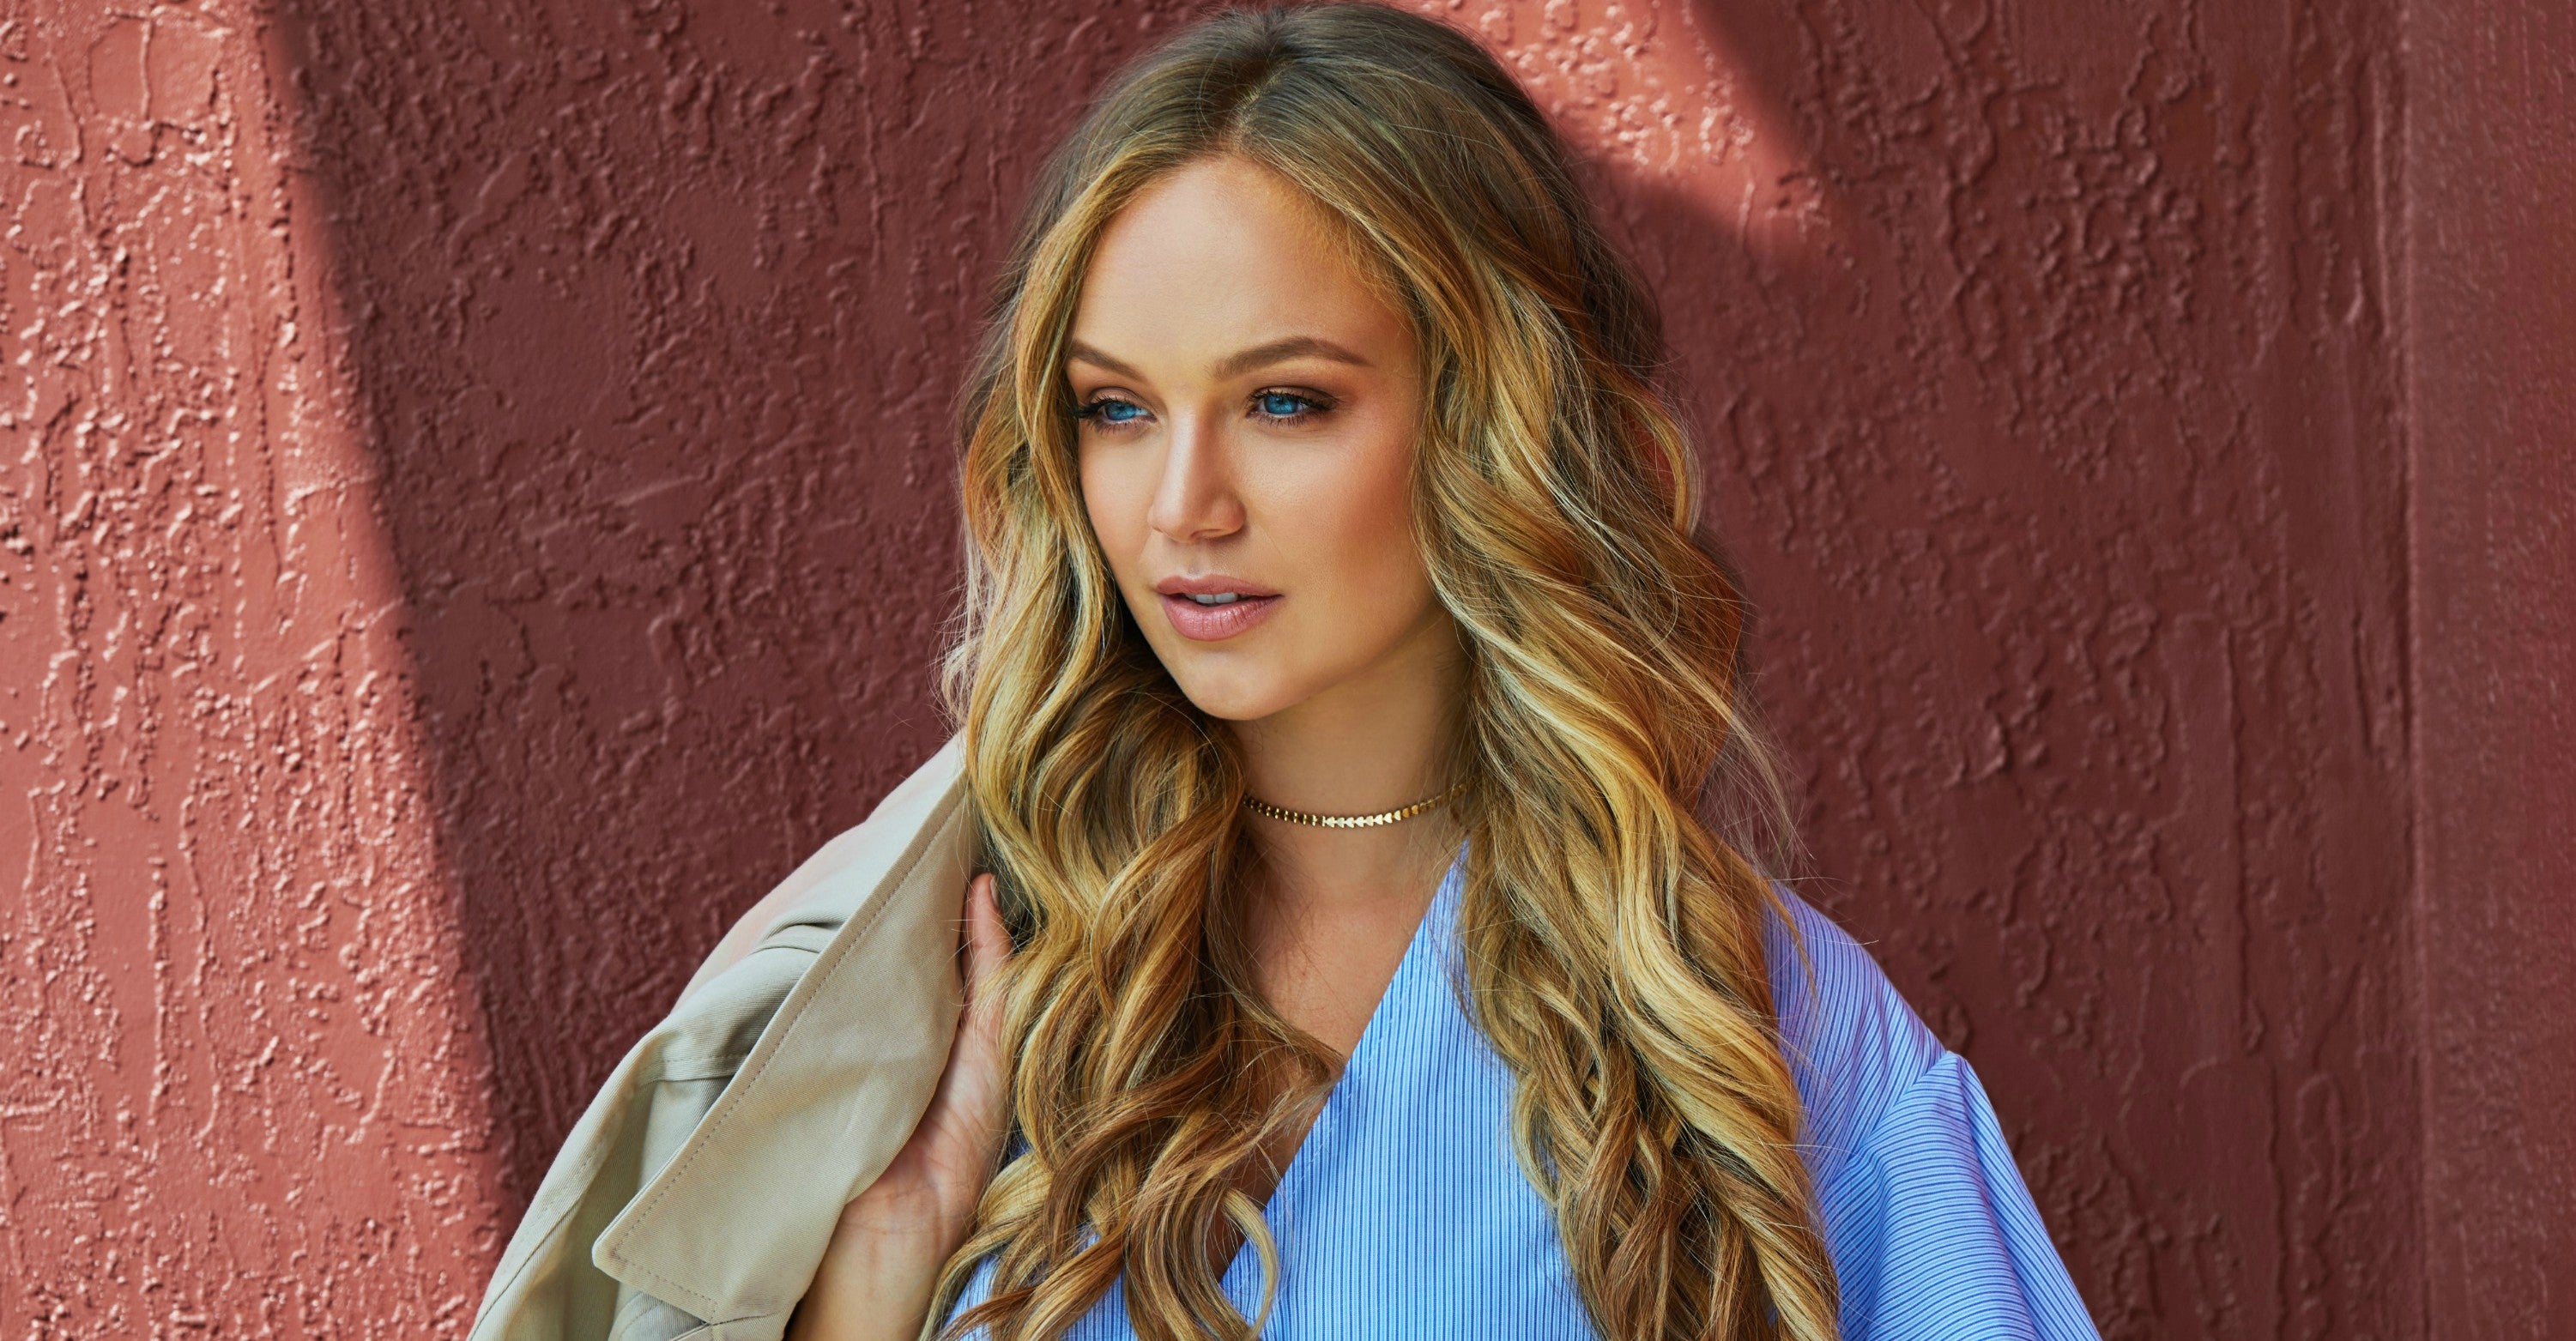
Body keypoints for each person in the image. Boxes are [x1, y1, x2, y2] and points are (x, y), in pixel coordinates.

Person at [779, 5, 2098, 1340]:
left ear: (1491, 423)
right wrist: (878, 1276)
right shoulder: (950, 984)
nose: (1182, 504)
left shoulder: (1755, 1030)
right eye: (1115, 408)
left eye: (1286, 401)